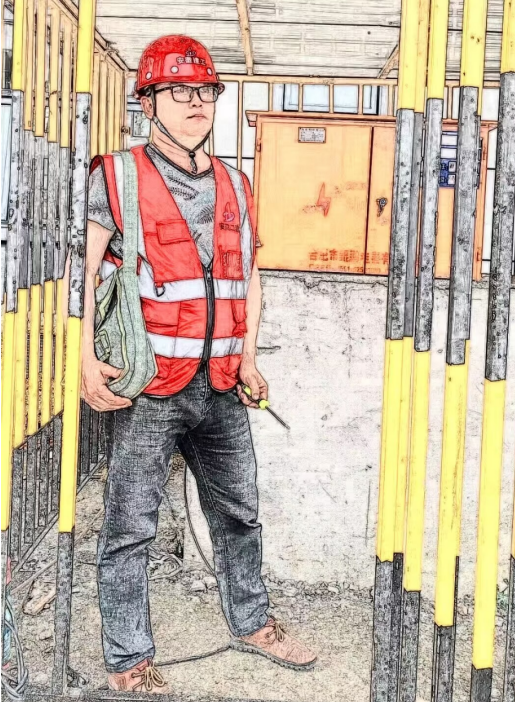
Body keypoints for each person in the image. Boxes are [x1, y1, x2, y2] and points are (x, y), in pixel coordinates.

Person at [81, 35, 317, 694]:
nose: (195, 103)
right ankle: (129, 659)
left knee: (239, 516)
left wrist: (248, 357)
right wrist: (83, 358)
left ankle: (252, 623)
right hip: (149, 389)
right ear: (148, 102)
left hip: (219, 386)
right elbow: (83, 274)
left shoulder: (236, 184)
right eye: (177, 91)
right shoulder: (117, 174)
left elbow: (248, 277)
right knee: (129, 529)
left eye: (205, 91)